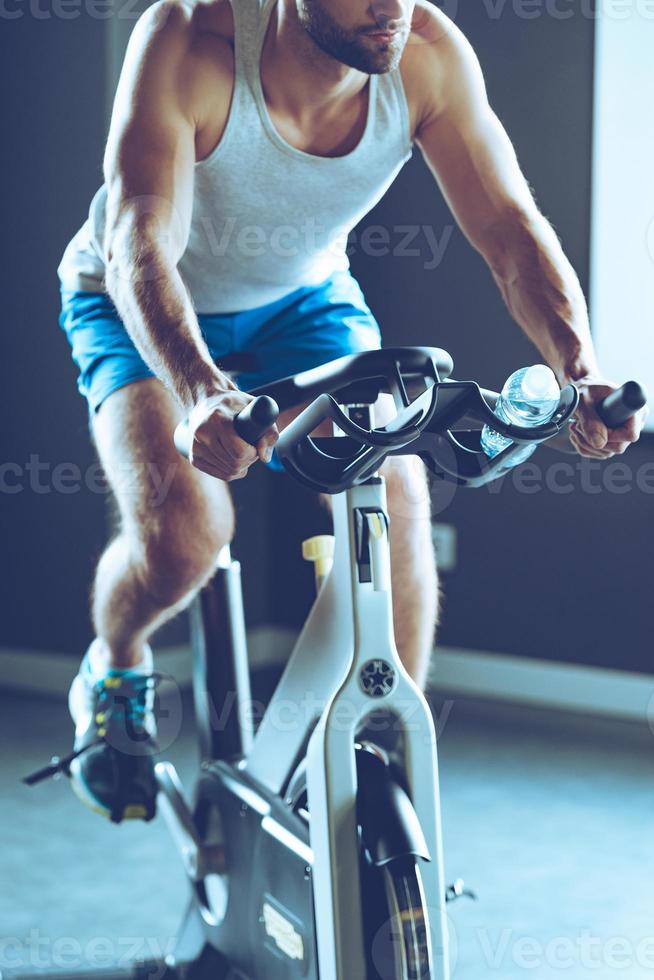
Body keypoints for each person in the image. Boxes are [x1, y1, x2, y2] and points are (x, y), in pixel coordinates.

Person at [57, 0, 644, 822]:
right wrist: (200, 390)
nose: (390, 7)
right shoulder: (191, 38)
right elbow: (139, 238)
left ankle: (381, 743)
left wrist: (579, 370)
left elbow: (510, 231)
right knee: (184, 536)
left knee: (396, 496)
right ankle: (115, 663)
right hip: (140, 301)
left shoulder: (427, 54)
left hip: (304, 301)